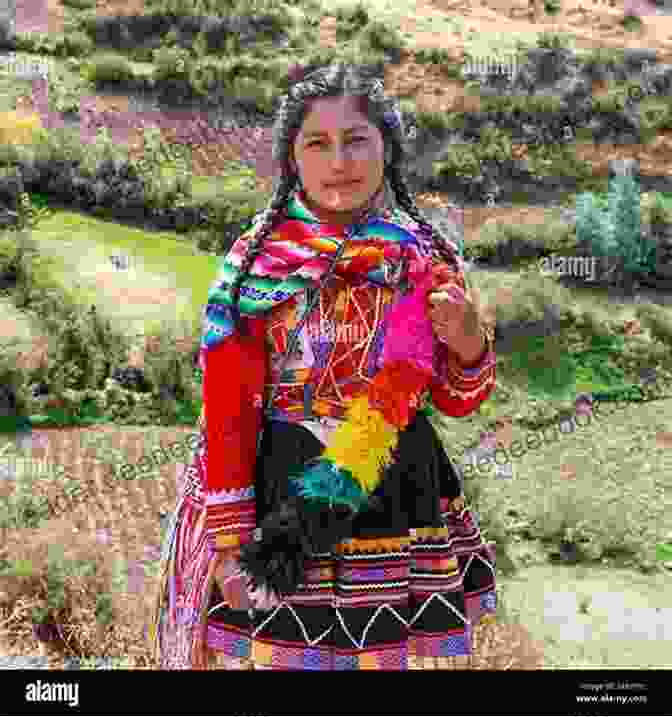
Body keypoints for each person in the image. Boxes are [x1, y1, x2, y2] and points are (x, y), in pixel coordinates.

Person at [150, 62, 497, 671]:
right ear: (292, 158)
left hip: (393, 490)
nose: (339, 159)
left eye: (357, 139)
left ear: (386, 150)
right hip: (280, 493)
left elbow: (457, 399)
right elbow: (227, 403)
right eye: (318, 142)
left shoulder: (424, 259)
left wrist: (469, 342)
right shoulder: (257, 262)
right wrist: (230, 542)